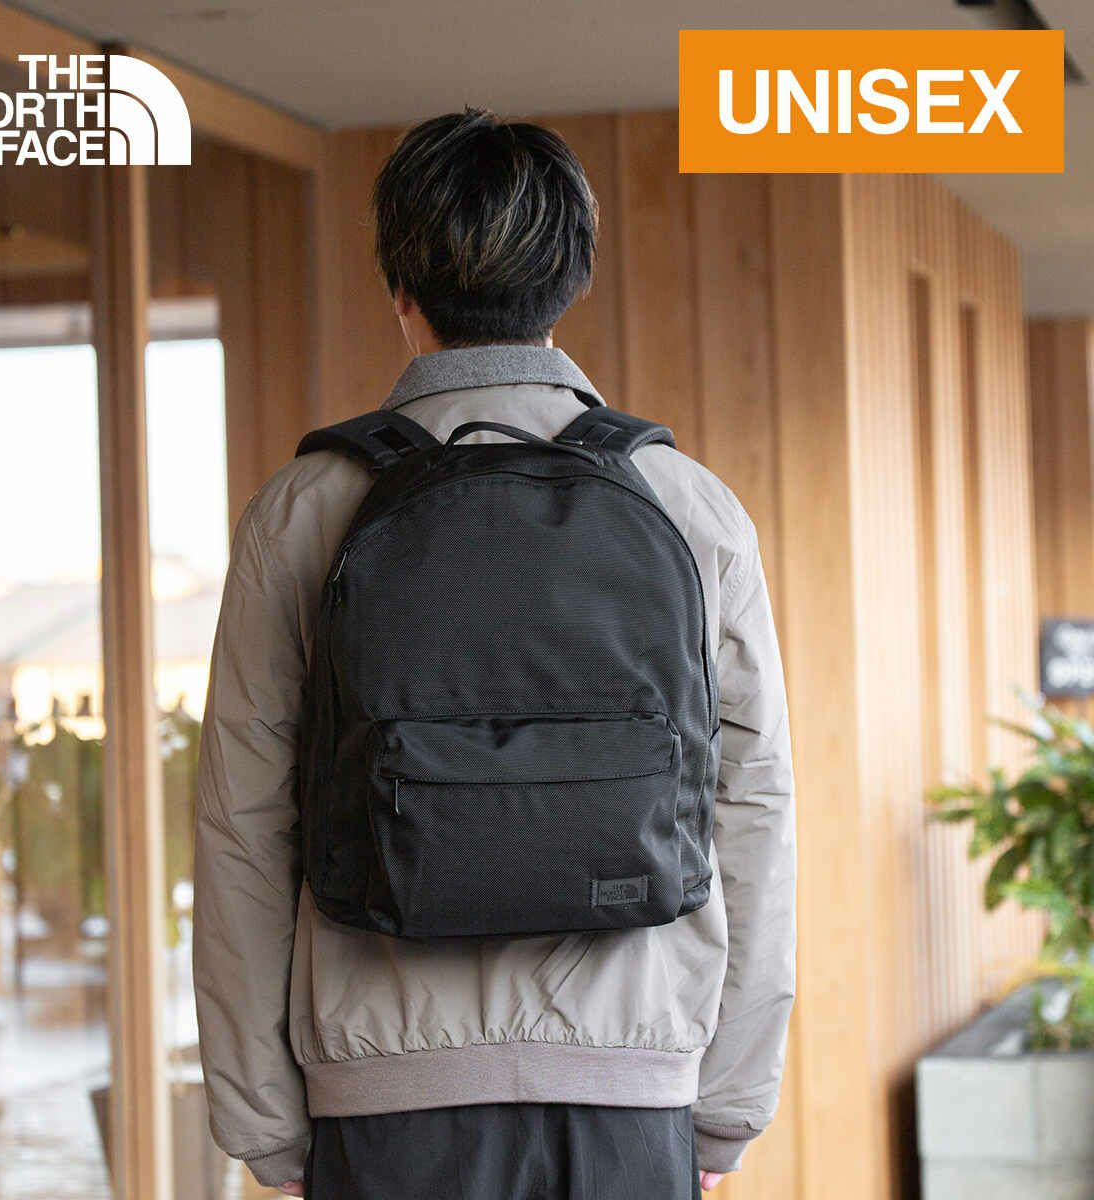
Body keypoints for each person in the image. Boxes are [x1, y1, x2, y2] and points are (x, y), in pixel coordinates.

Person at [193, 108, 796, 1199]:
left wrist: (265, 1124)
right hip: (631, 1090)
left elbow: (243, 820)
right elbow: (750, 805)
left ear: (401, 288)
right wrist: (726, 1105)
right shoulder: (689, 506)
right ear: (571, 281)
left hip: (380, 1102)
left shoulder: (305, 509)